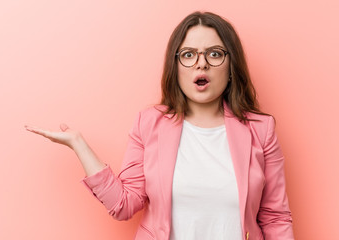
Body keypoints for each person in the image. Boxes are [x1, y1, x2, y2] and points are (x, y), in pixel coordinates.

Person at [25, 11, 294, 240]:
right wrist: (78, 144)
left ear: (231, 65)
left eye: (214, 54)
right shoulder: (149, 124)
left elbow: (275, 217)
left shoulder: (261, 129)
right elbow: (123, 205)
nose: (201, 63)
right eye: (188, 55)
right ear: (175, 66)